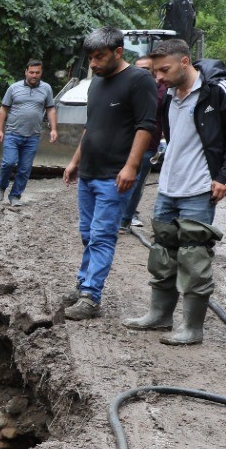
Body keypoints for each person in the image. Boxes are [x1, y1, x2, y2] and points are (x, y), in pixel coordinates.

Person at [123, 37, 226, 345]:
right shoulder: (168, 97)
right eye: (155, 72)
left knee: (194, 259)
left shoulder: (217, 91)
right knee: (163, 253)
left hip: (198, 189)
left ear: (184, 62)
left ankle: (192, 328)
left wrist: (225, 178)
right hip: (168, 187)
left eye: (163, 70)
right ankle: (160, 315)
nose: (159, 78)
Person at [60, 28, 159, 320]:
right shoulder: (96, 85)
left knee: (102, 236)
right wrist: (75, 160)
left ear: (118, 52)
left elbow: (145, 126)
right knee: (87, 234)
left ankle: (91, 296)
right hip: (89, 172)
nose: (93, 63)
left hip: (114, 175)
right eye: (90, 57)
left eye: (99, 57)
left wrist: (131, 166)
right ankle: (82, 286)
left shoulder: (139, 81)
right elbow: (91, 128)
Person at [0, 60, 58, 205]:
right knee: (8, 162)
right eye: (31, 72)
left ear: (41, 73)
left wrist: (54, 129)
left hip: (33, 135)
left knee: (24, 169)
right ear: (26, 72)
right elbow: (3, 109)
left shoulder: (46, 88)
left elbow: (50, 109)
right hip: (12, 133)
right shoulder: (14, 88)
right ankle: (1, 187)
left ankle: (15, 196)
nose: (34, 75)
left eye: (37, 72)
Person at [119, 55, 166, 232]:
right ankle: (116, 216)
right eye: (137, 67)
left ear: (154, 70)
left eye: (145, 68)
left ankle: (125, 219)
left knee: (137, 184)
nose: (140, 71)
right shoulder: (128, 87)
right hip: (125, 144)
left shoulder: (164, 91)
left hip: (149, 146)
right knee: (118, 181)